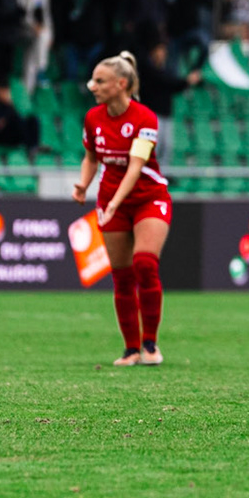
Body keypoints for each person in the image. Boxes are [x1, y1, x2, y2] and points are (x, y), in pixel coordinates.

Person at [72, 52, 173, 367]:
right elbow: (91, 157)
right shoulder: (92, 118)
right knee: (122, 276)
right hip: (110, 200)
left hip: (148, 197)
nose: (93, 86)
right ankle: (130, 349)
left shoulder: (145, 119)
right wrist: (83, 184)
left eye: (99, 81)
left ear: (122, 84)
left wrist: (116, 201)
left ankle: (151, 345)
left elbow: (136, 165)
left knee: (144, 263)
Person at [18, 0, 54, 93]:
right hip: (24, 29)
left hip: (40, 32)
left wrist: (51, 34)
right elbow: (21, 12)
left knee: (31, 58)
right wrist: (33, 26)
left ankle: (28, 92)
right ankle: (42, 70)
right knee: (42, 36)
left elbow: (47, 13)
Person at [0, 80, 43, 150]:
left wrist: (10, 105)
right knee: (16, 120)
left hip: (7, 133)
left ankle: (34, 146)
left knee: (33, 119)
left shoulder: (6, 104)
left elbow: (12, 117)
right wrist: (6, 115)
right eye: (4, 92)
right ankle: (30, 145)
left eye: (7, 92)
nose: (7, 94)